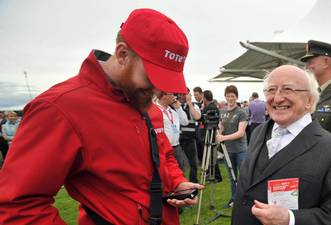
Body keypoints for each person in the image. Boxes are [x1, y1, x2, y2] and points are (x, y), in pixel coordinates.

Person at [0, 8, 203, 225]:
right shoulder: (60, 108)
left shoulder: (143, 103)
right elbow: (18, 206)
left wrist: (176, 181)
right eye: (153, 76)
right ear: (123, 54)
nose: (157, 90)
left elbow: (164, 155)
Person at [232, 65, 331, 225]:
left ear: (309, 100)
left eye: (288, 89)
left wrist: (290, 219)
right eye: (271, 90)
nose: (277, 98)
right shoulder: (258, 132)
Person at [216, 85, 248, 208]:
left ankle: (245, 198)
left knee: (243, 175)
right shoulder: (222, 112)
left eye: (232, 96)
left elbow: (240, 133)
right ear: (225, 97)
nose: (230, 98)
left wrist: (223, 138)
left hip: (240, 150)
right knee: (231, 176)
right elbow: (221, 128)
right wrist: (220, 132)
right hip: (228, 150)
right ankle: (234, 199)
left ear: (236, 97)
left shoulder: (241, 112)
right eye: (228, 96)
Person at [155, 90, 189, 172]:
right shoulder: (155, 110)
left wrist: (179, 108)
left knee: (180, 172)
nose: (174, 97)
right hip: (163, 148)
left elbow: (185, 122)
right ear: (164, 96)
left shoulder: (173, 111)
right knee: (166, 173)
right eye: (171, 95)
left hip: (176, 147)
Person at [178, 88, 201, 183]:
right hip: (177, 139)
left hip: (190, 139)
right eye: (180, 94)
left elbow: (197, 117)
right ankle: (180, 182)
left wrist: (189, 103)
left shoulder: (194, 106)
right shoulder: (173, 106)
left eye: (184, 94)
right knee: (178, 163)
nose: (182, 96)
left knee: (193, 163)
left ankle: (193, 182)